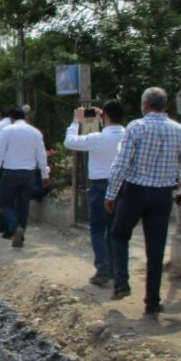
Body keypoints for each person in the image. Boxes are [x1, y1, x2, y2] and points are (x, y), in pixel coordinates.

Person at [105, 87, 181, 315]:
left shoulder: (137, 127)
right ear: (164, 105)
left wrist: (111, 193)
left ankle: (121, 282)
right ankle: (153, 301)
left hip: (135, 191)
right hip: (162, 195)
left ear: (145, 104)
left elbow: (122, 163)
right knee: (155, 249)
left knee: (119, 234)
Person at [63, 100, 126, 287]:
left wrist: (76, 122)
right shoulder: (129, 135)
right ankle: (116, 269)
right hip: (123, 186)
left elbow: (69, 142)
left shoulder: (98, 138)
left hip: (100, 185)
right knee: (116, 230)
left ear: (105, 116)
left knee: (98, 228)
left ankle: (102, 268)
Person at [0, 107, 50, 248]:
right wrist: (44, 174)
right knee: (23, 205)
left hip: (10, 172)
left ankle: (15, 227)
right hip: (28, 174)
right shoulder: (36, 133)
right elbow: (41, 155)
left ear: (11, 118)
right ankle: (20, 236)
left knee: (4, 203)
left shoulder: (7, 131)